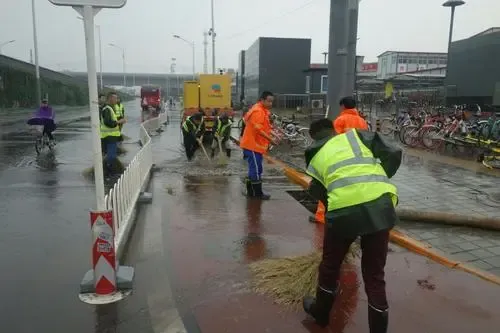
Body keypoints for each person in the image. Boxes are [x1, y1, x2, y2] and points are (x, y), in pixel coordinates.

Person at [302, 118, 401, 332]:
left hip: (343, 211)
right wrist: (381, 176)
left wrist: (334, 216)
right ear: (334, 129)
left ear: (313, 137)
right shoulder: (357, 135)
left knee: (330, 265)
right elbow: (393, 151)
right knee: (375, 275)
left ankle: (321, 314)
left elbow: (317, 191)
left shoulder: (313, 153)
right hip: (381, 205)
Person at [310, 96, 369, 224]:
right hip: (358, 158)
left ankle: (321, 217)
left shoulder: (340, 120)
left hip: (340, 158)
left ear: (342, 106)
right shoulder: (362, 122)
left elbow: (332, 140)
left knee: (328, 186)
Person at [239, 91, 279, 199]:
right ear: (262, 100)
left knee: (256, 168)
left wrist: (274, 134)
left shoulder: (263, 110)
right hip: (252, 145)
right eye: (269, 101)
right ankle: (257, 194)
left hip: (255, 146)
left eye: (272, 102)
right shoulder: (258, 111)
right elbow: (259, 130)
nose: (271, 104)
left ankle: (251, 192)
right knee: (256, 169)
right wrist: (271, 140)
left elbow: (266, 127)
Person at [100, 92, 127, 174]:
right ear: (110, 98)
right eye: (115, 98)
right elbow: (108, 123)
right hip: (109, 136)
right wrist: (119, 121)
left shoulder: (110, 108)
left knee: (108, 155)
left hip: (110, 136)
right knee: (111, 156)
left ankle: (108, 170)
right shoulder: (107, 109)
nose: (116, 100)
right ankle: (110, 172)